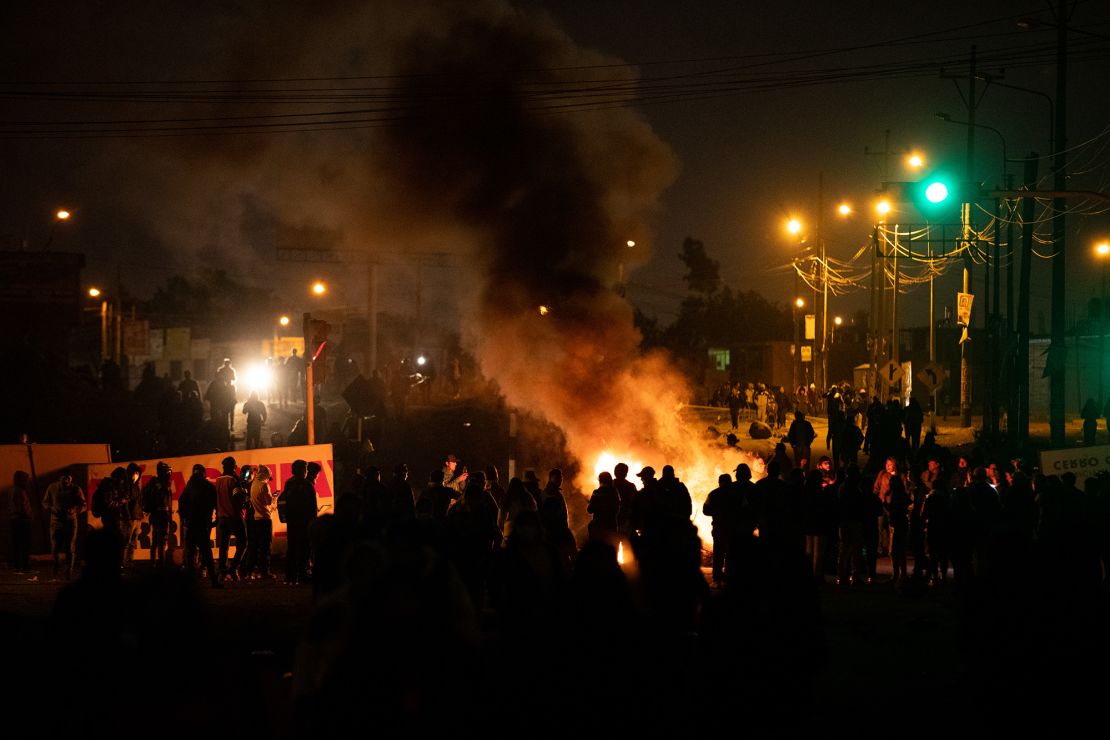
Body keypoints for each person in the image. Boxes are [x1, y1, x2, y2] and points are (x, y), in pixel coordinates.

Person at [177, 464, 221, 587]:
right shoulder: (207, 487)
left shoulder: (190, 486)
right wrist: (216, 517)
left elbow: (182, 503)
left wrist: (184, 519)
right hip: (201, 525)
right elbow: (216, 503)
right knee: (206, 553)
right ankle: (213, 580)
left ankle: (192, 581)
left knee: (191, 554)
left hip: (192, 525)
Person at [42, 470, 85, 580]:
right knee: (55, 547)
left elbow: (83, 505)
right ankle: (56, 563)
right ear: (59, 478)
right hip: (56, 522)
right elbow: (45, 502)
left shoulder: (76, 489)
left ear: (71, 478)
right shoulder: (52, 488)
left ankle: (68, 571)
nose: (66, 480)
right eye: (64, 477)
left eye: (68, 477)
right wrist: (52, 508)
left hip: (70, 522)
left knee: (70, 547)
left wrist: (75, 510)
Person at [281, 459, 317, 585]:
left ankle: (290, 576)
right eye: (306, 469)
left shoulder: (288, 483)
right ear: (302, 470)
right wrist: (313, 522)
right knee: (304, 549)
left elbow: (283, 500)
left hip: (292, 522)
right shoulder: (307, 485)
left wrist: (285, 517)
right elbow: (312, 506)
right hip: (304, 522)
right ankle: (302, 574)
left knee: (292, 549)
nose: (307, 472)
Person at [703, 472, 738, 584]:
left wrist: (717, 513)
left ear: (719, 483)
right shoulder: (736, 494)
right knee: (731, 552)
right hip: (733, 528)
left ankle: (717, 577)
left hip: (719, 527)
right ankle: (730, 576)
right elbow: (744, 508)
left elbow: (705, 510)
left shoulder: (713, 494)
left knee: (718, 552)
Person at [214, 456, 245, 581]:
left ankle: (222, 570)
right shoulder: (233, 480)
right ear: (233, 467)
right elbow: (238, 498)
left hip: (222, 517)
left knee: (223, 546)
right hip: (234, 516)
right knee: (243, 542)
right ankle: (233, 569)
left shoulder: (218, 480)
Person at [241, 465, 274, 579]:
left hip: (255, 519)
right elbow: (269, 501)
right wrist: (273, 498)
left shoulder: (253, 484)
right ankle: (265, 572)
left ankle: (249, 571)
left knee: (254, 546)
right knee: (265, 547)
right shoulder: (264, 485)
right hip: (265, 518)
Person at [141, 462, 173, 568]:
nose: (169, 473)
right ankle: (161, 565)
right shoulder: (162, 484)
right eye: (168, 471)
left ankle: (153, 563)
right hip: (162, 516)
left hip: (156, 517)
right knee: (161, 543)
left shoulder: (155, 483)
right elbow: (165, 502)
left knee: (155, 541)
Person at [9, 471, 34, 573]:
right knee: (24, 544)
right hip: (22, 520)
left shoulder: (14, 490)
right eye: (25, 479)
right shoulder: (19, 491)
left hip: (16, 520)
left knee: (18, 544)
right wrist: (29, 516)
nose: (27, 481)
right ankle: (24, 566)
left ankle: (18, 566)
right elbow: (21, 508)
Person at [586, 472, 620, 545]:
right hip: (611, 526)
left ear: (600, 480)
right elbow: (616, 508)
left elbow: (589, 510)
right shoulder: (614, 492)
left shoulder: (597, 492)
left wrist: (590, 503)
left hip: (598, 526)